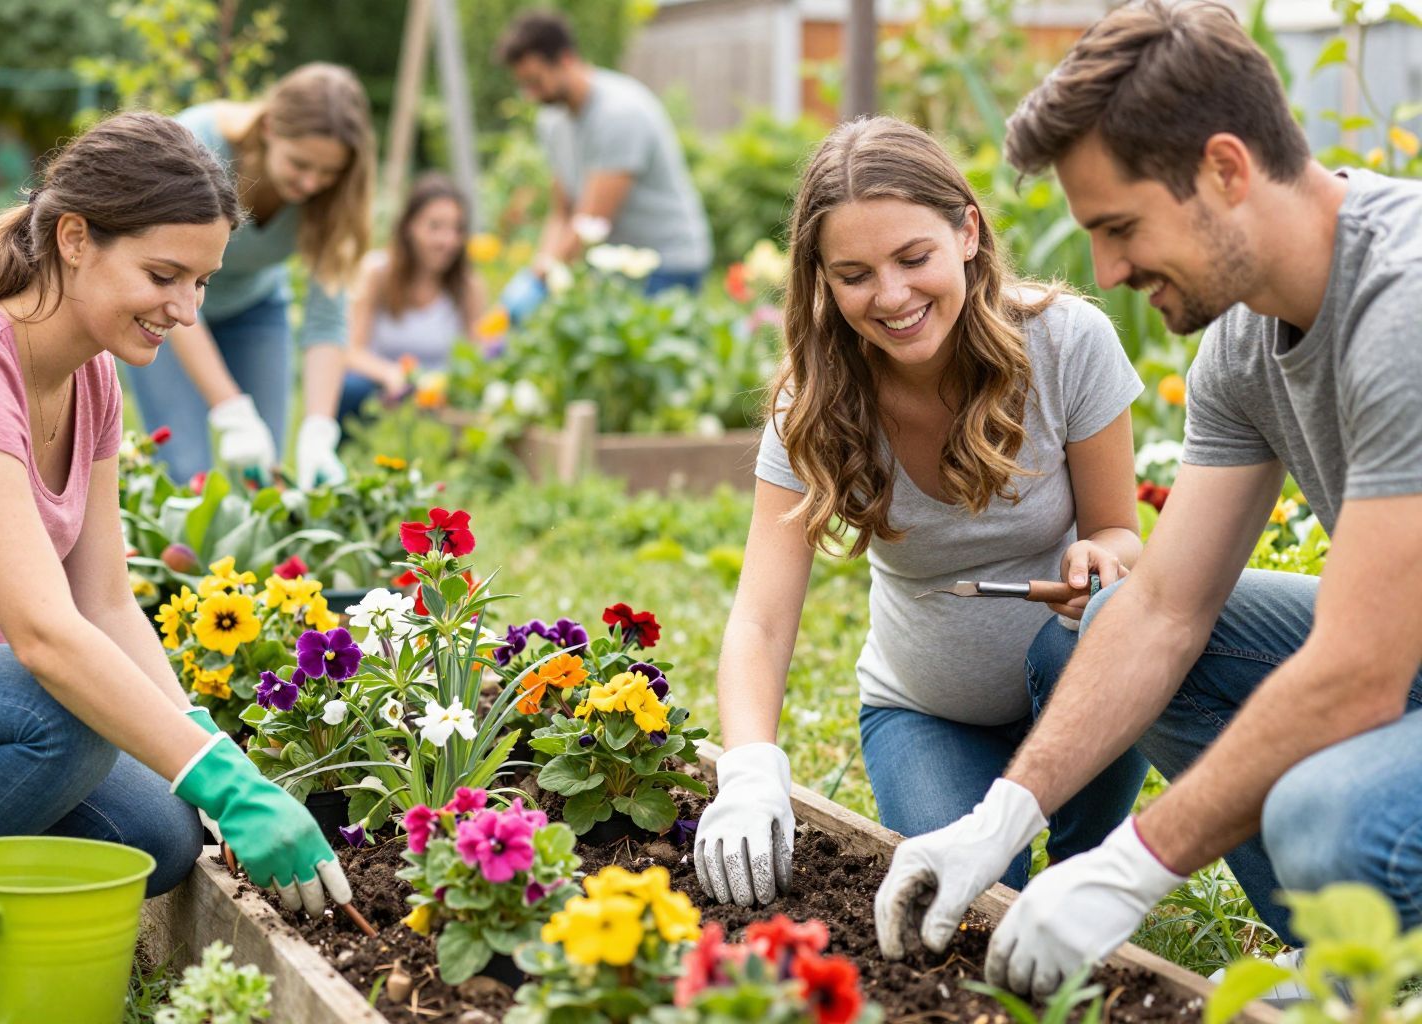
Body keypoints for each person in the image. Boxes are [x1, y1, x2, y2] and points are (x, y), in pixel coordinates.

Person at [873, 0, 1422, 998]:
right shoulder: (1244, 342)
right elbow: (1167, 609)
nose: (1108, 271)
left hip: (1395, 665)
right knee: (1128, 614)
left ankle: (1391, 970)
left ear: (1224, 168)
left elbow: (1361, 674)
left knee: (1323, 816)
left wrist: (1131, 865)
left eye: (1119, 227)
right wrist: (1003, 817)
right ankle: (1344, 949)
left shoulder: (1404, 303)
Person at [0, 113, 348, 1015]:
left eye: (203, 282)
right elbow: (45, 636)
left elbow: (103, 603)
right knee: (61, 707)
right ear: (73, 238)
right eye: (163, 275)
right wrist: (217, 772)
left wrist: (215, 766)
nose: (185, 310)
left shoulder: (91, 376)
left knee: (157, 836)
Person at [693, 116, 1151, 910]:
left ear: (967, 231)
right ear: (823, 281)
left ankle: (1085, 863)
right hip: (927, 714)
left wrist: (1105, 561)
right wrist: (747, 769)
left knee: (1097, 645)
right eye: (855, 274)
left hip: (1077, 679)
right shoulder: (818, 403)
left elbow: (1121, 535)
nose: (893, 296)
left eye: (913, 258)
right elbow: (760, 622)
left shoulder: (1067, 344)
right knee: (964, 908)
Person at [127, 63, 376, 490]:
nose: (312, 182)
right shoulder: (197, 144)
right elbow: (165, 283)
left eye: (328, 172)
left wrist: (319, 429)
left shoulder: (334, 198)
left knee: (263, 478)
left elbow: (326, 319)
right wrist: (231, 411)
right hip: (164, 309)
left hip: (254, 308)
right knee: (186, 473)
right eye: (300, 164)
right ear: (269, 128)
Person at [495, 9, 712, 319]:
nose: (530, 94)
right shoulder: (551, 119)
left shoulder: (619, 114)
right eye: (523, 84)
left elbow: (591, 221)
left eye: (535, 81)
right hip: (618, 266)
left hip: (667, 264)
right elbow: (563, 209)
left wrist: (543, 284)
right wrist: (539, 268)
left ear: (566, 60)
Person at [337, 173, 486, 430]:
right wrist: (392, 375)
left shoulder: (468, 287)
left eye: (456, 229)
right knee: (349, 387)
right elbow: (351, 351)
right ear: (409, 226)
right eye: (435, 227)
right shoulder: (377, 273)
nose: (447, 241)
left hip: (441, 401)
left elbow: (478, 359)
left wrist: (446, 387)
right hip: (382, 390)